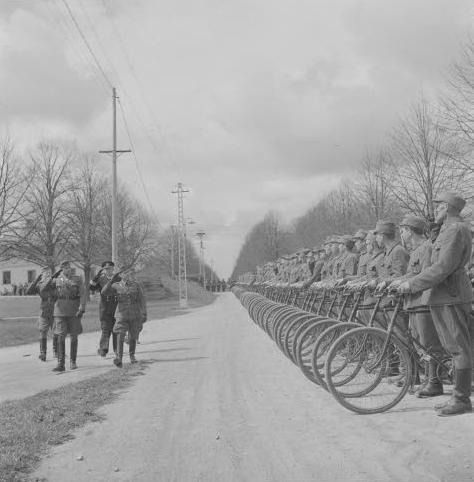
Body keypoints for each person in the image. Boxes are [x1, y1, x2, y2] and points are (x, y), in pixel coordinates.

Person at [398, 192, 473, 416]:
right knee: (452, 347)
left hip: (452, 294)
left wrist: (412, 284)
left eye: (439, 205)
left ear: (448, 207)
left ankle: (461, 399)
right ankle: (457, 396)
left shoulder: (456, 229)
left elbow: (443, 267)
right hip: (443, 295)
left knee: (459, 347)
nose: (436, 210)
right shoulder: (447, 230)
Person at [390, 215, 444, 397]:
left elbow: (428, 275)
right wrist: (396, 282)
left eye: (403, 231)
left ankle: (434, 382)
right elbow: (411, 274)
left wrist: (407, 283)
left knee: (429, 344)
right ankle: (428, 380)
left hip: (424, 302)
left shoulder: (428, 248)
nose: (402, 234)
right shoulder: (415, 251)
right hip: (413, 303)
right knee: (420, 343)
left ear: (411, 231)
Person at [40, 261, 86, 372]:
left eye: (69, 267)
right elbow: (42, 289)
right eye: (65, 268)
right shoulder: (55, 280)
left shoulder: (77, 279)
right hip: (59, 310)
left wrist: (82, 308)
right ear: (61, 269)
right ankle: (61, 364)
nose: (68, 269)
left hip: (74, 310)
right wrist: (51, 277)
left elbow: (83, 293)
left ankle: (73, 361)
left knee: (74, 336)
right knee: (60, 336)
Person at [102, 266, 147, 367]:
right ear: (120, 275)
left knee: (132, 336)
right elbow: (104, 292)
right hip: (121, 314)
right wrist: (112, 280)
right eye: (124, 273)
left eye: (128, 272)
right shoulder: (115, 285)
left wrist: (144, 313)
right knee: (120, 335)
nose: (127, 274)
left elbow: (142, 300)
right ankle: (119, 358)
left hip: (134, 314)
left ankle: (132, 356)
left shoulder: (136, 285)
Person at [27, 267, 58, 361]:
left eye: (49, 273)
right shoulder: (39, 285)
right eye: (45, 273)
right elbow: (28, 291)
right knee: (43, 331)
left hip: (55, 309)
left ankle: (56, 351)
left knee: (57, 332)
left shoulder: (54, 283)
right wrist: (37, 279)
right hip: (44, 310)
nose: (47, 275)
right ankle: (43, 353)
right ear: (42, 275)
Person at [90, 261, 120, 358]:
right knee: (105, 329)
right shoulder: (101, 279)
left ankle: (117, 350)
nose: (109, 270)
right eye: (106, 269)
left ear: (113, 269)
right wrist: (95, 277)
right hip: (104, 306)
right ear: (103, 270)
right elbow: (91, 288)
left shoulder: (118, 278)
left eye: (110, 268)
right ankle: (103, 349)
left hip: (116, 306)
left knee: (116, 329)